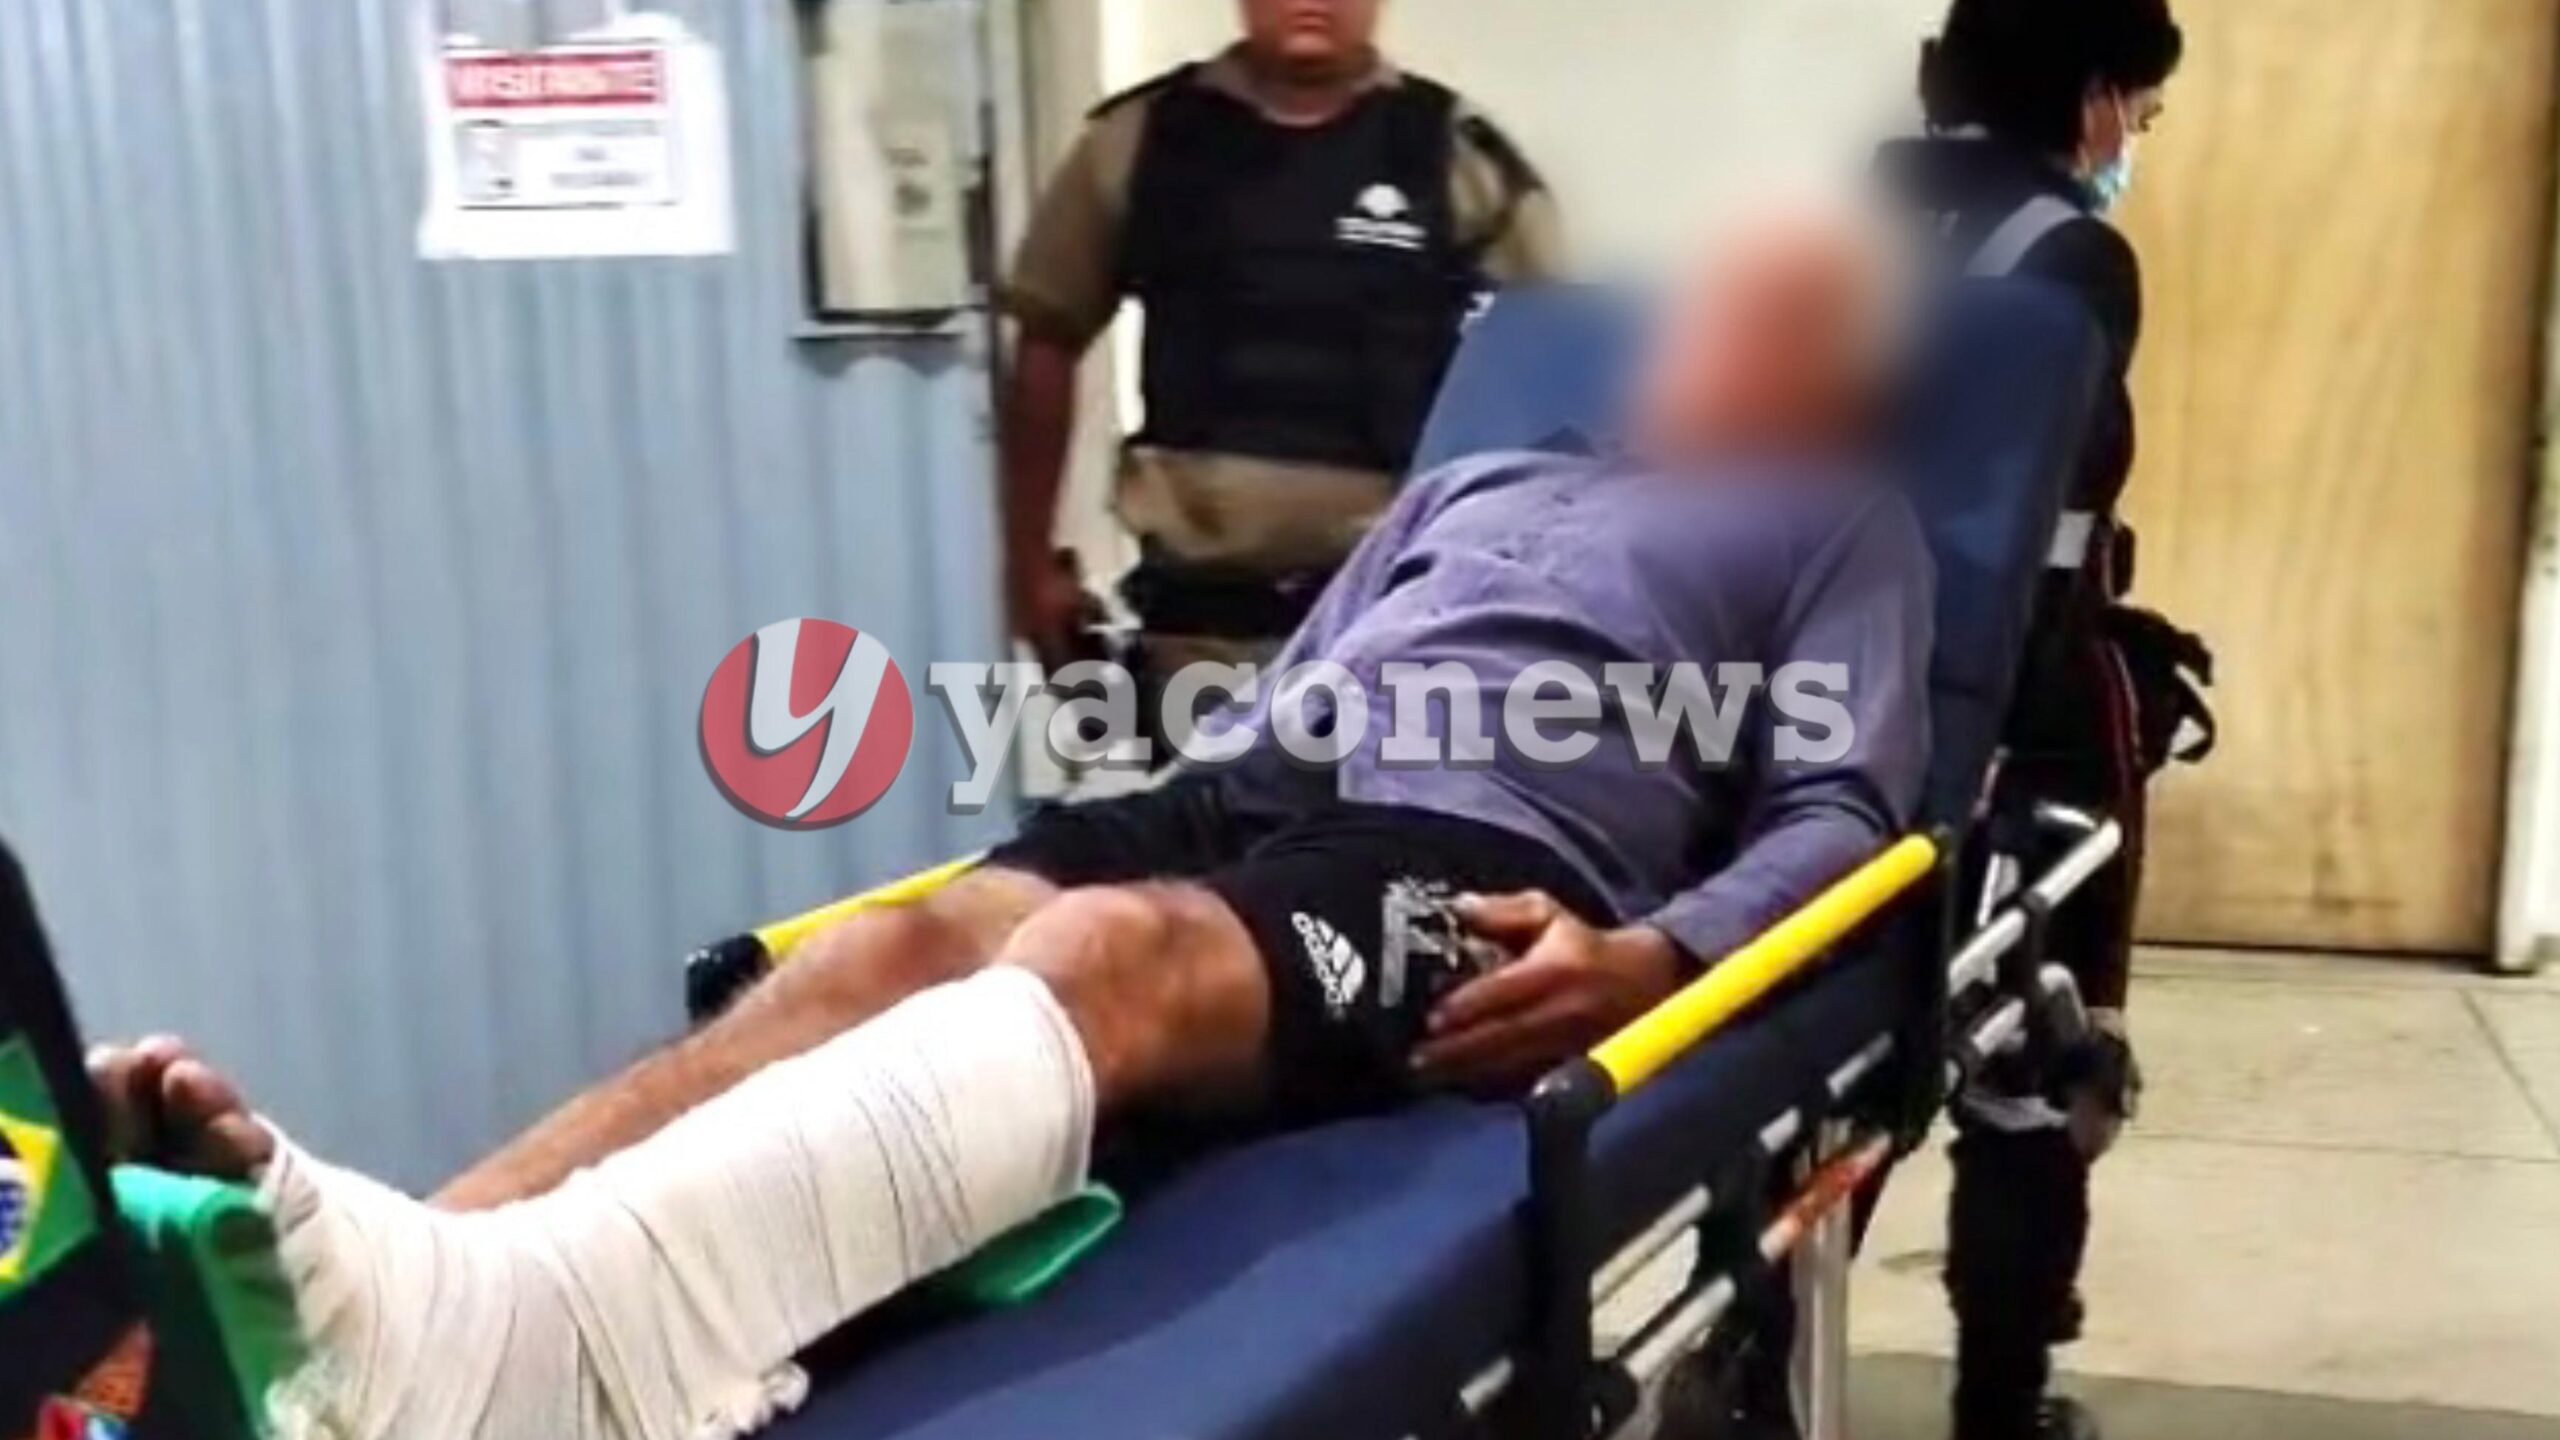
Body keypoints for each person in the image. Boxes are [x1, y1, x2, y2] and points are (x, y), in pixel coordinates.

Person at [85, 212, 1923, 1440]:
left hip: (1488, 856)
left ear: (1842, 381)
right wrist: (1186, 792)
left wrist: (1656, 956)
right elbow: (1301, 682)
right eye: (1711, 304)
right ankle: (393, 1290)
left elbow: (1849, 806)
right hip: (1270, 786)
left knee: (1106, 954)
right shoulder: (1486, 479)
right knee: (889, 944)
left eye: (1773, 320)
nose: (1707, 336)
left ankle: (539, 1352)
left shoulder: (1842, 527)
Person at [1874, 4, 2206, 1439]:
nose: (2133, 140)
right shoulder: (2071, 257)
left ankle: (1748, 1370)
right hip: (2010, 710)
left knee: (1821, 1063)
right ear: (2089, 102)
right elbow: (2031, 524)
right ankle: (2000, 1403)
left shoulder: (1858, 220)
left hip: (1823, 705)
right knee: (2033, 1058)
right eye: (2139, 110)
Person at [999, 0, 1562, 706]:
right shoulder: (1141, 142)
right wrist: (1027, 566)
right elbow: (1047, 343)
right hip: (1203, 638)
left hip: (1399, 627)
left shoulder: (1454, 153)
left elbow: (1554, 363)